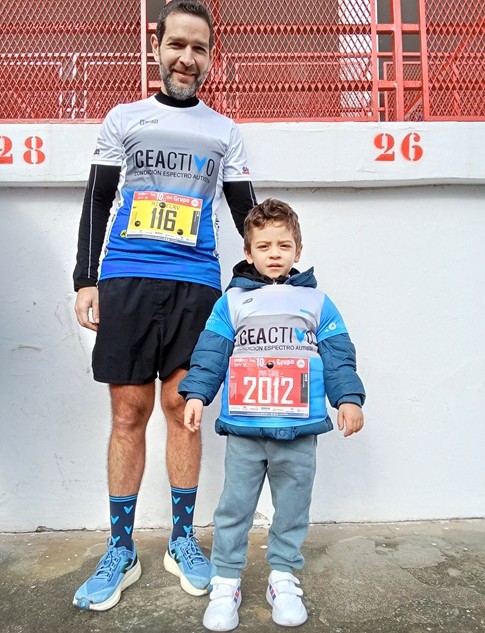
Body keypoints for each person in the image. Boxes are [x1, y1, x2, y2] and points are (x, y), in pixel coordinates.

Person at [72, 0, 256, 612]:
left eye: (198, 48)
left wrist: (262, 279)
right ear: (157, 47)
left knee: (184, 411)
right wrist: (86, 279)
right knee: (128, 414)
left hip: (195, 284)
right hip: (126, 278)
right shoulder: (123, 118)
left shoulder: (223, 131)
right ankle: (120, 549)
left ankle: (182, 540)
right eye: (177, 44)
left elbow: (244, 209)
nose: (186, 57)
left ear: (210, 57)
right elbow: (97, 200)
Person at [179, 199, 365, 631]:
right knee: (234, 509)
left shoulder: (317, 302)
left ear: (298, 250)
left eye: (284, 245)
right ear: (248, 252)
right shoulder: (231, 303)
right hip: (245, 430)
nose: (275, 253)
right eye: (264, 246)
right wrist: (196, 394)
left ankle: (282, 577)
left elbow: (338, 356)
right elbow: (211, 353)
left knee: (293, 509)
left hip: (299, 431)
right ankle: (226, 581)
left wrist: (348, 398)